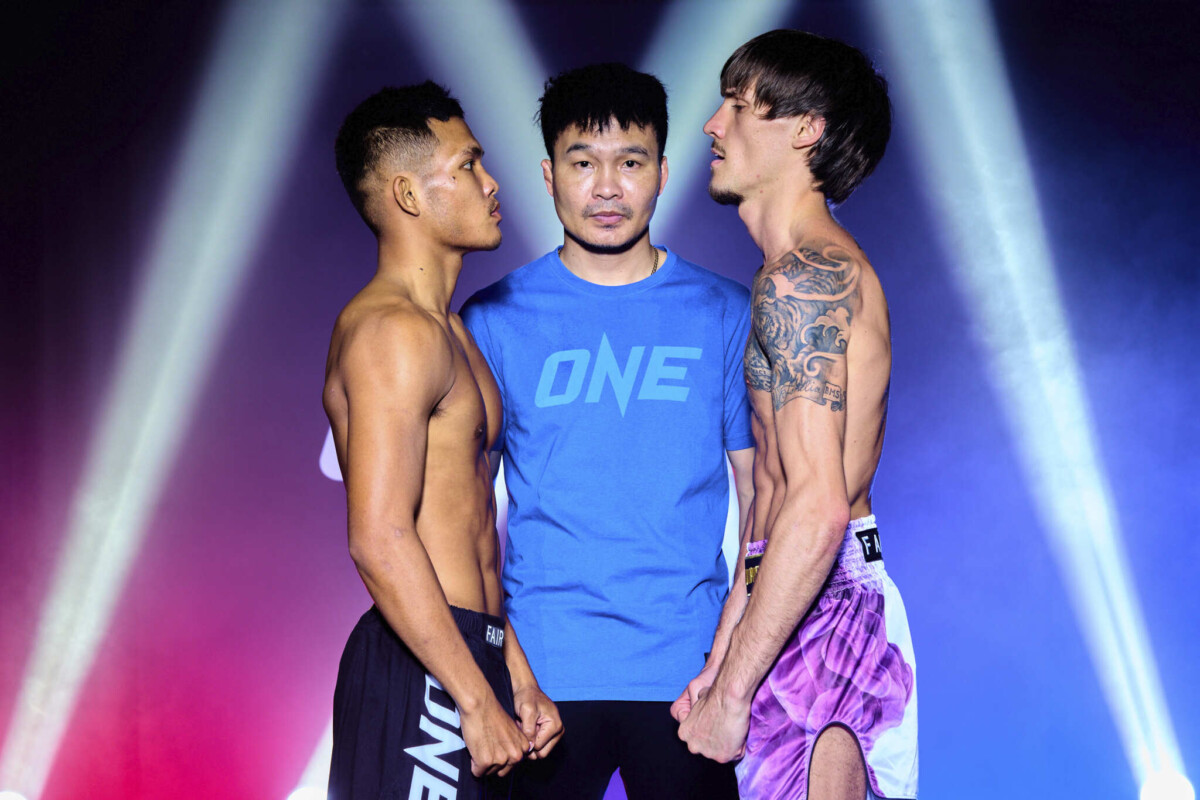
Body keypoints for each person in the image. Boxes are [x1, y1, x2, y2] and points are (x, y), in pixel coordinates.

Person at [460, 63, 754, 800]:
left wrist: (733, 663)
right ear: (548, 176)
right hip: (542, 679)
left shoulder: (725, 311)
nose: (607, 187)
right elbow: (463, 518)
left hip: (689, 675)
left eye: (630, 162)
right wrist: (501, 666)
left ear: (662, 174)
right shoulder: (492, 319)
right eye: (582, 163)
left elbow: (763, 501)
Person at [673, 30, 918, 800]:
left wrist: (734, 692)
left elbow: (817, 508)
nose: (712, 125)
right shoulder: (782, 276)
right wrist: (724, 657)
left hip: (829, 608)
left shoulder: (809, 277)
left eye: (739, 105)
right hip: (788, 597)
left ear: (806, 129)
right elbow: (772, 504)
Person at [323, 82, 562, 800]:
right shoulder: (392, 332)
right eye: (467, 165)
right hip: (427, 670)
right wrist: (474, 699)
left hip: (471, 655)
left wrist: (516, 677)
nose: (491, 183)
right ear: (407, 194)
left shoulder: (452, 331)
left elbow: (469, 529)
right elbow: (380, 537)